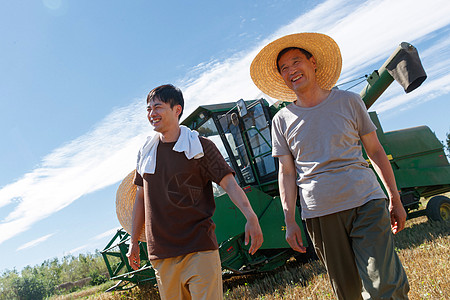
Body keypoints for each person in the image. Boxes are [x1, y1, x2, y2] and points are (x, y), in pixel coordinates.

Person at [250, 33, 409, 299]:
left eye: (296, 61)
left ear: (313, 62)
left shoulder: (349, 101)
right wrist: (289, 220)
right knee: (347, 290)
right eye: (284, 68)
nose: (291, 71)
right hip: (320, 212)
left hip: (366, 201)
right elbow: (287, 174)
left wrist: (394, 197)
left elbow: (375, 151)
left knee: (384, 284)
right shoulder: (281, 120)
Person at [126, 84, 263, 300]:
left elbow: (230, 185)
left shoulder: (201, 147)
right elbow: (140, 199)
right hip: (162, 254)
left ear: (177, 109)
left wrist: (251, 216)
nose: (152, 113)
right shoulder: (146, 153)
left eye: (158, 107)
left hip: (199, 247)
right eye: (148, 109)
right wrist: (134, 242)